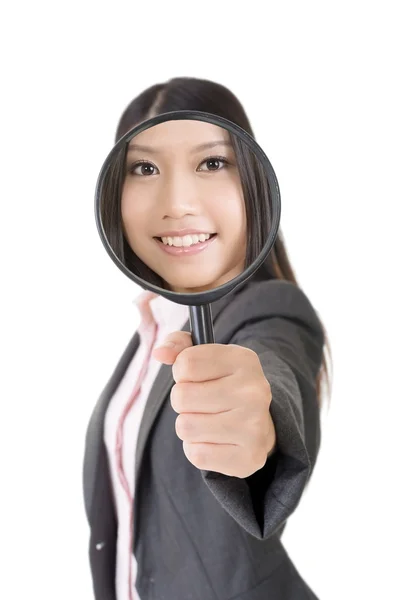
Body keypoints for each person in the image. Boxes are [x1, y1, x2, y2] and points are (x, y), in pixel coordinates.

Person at [83, 76, 331, 600]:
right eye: (144, 168)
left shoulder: (272, 310)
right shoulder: (155, 325)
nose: (178, 203)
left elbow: (272, 369)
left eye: (212, 163)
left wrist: (256, 425)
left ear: (252, 182)